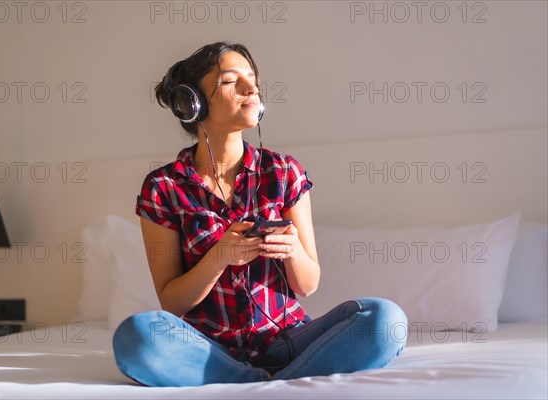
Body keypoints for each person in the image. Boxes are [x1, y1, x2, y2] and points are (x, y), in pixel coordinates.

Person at [112, 41, 408, 387]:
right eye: (230, 81)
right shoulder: (163, 186)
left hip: (289, 340)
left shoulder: (284, 172)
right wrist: (219, 257)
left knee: (385, 320)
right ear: (192, 102)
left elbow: (308, 284)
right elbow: (171, 302)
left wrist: (293, 249)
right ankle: (262, 382)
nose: (251, 88)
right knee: (136, 336)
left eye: (252, 79)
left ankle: (257, 381)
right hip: (207, 348)